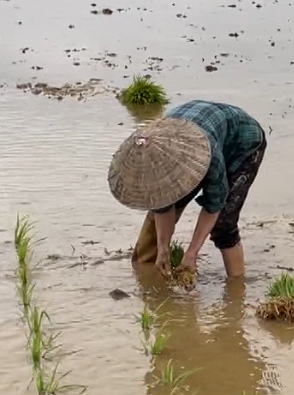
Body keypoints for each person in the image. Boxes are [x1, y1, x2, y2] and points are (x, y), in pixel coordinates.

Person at [107, 101, 266, 280]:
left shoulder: (211, 155)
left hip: (243, 145)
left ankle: (236, 292)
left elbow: (214, 204)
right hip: (198, 124)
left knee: (223, 224)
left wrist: (192, 253)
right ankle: (148, 278)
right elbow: (163, 203)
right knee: (164, 204)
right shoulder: (156, 156)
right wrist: (163, 247)